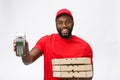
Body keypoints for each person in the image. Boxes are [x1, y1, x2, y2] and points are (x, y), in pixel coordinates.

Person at [13, 9, 93, 80]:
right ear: (56, 24)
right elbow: (28, 61)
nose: (64, 25)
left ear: (73, 23)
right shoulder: (46, 41)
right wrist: (25, 51)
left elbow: (90, 76)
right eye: (60, 22)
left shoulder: (85, 46)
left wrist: (74, 76)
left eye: (68, 22)